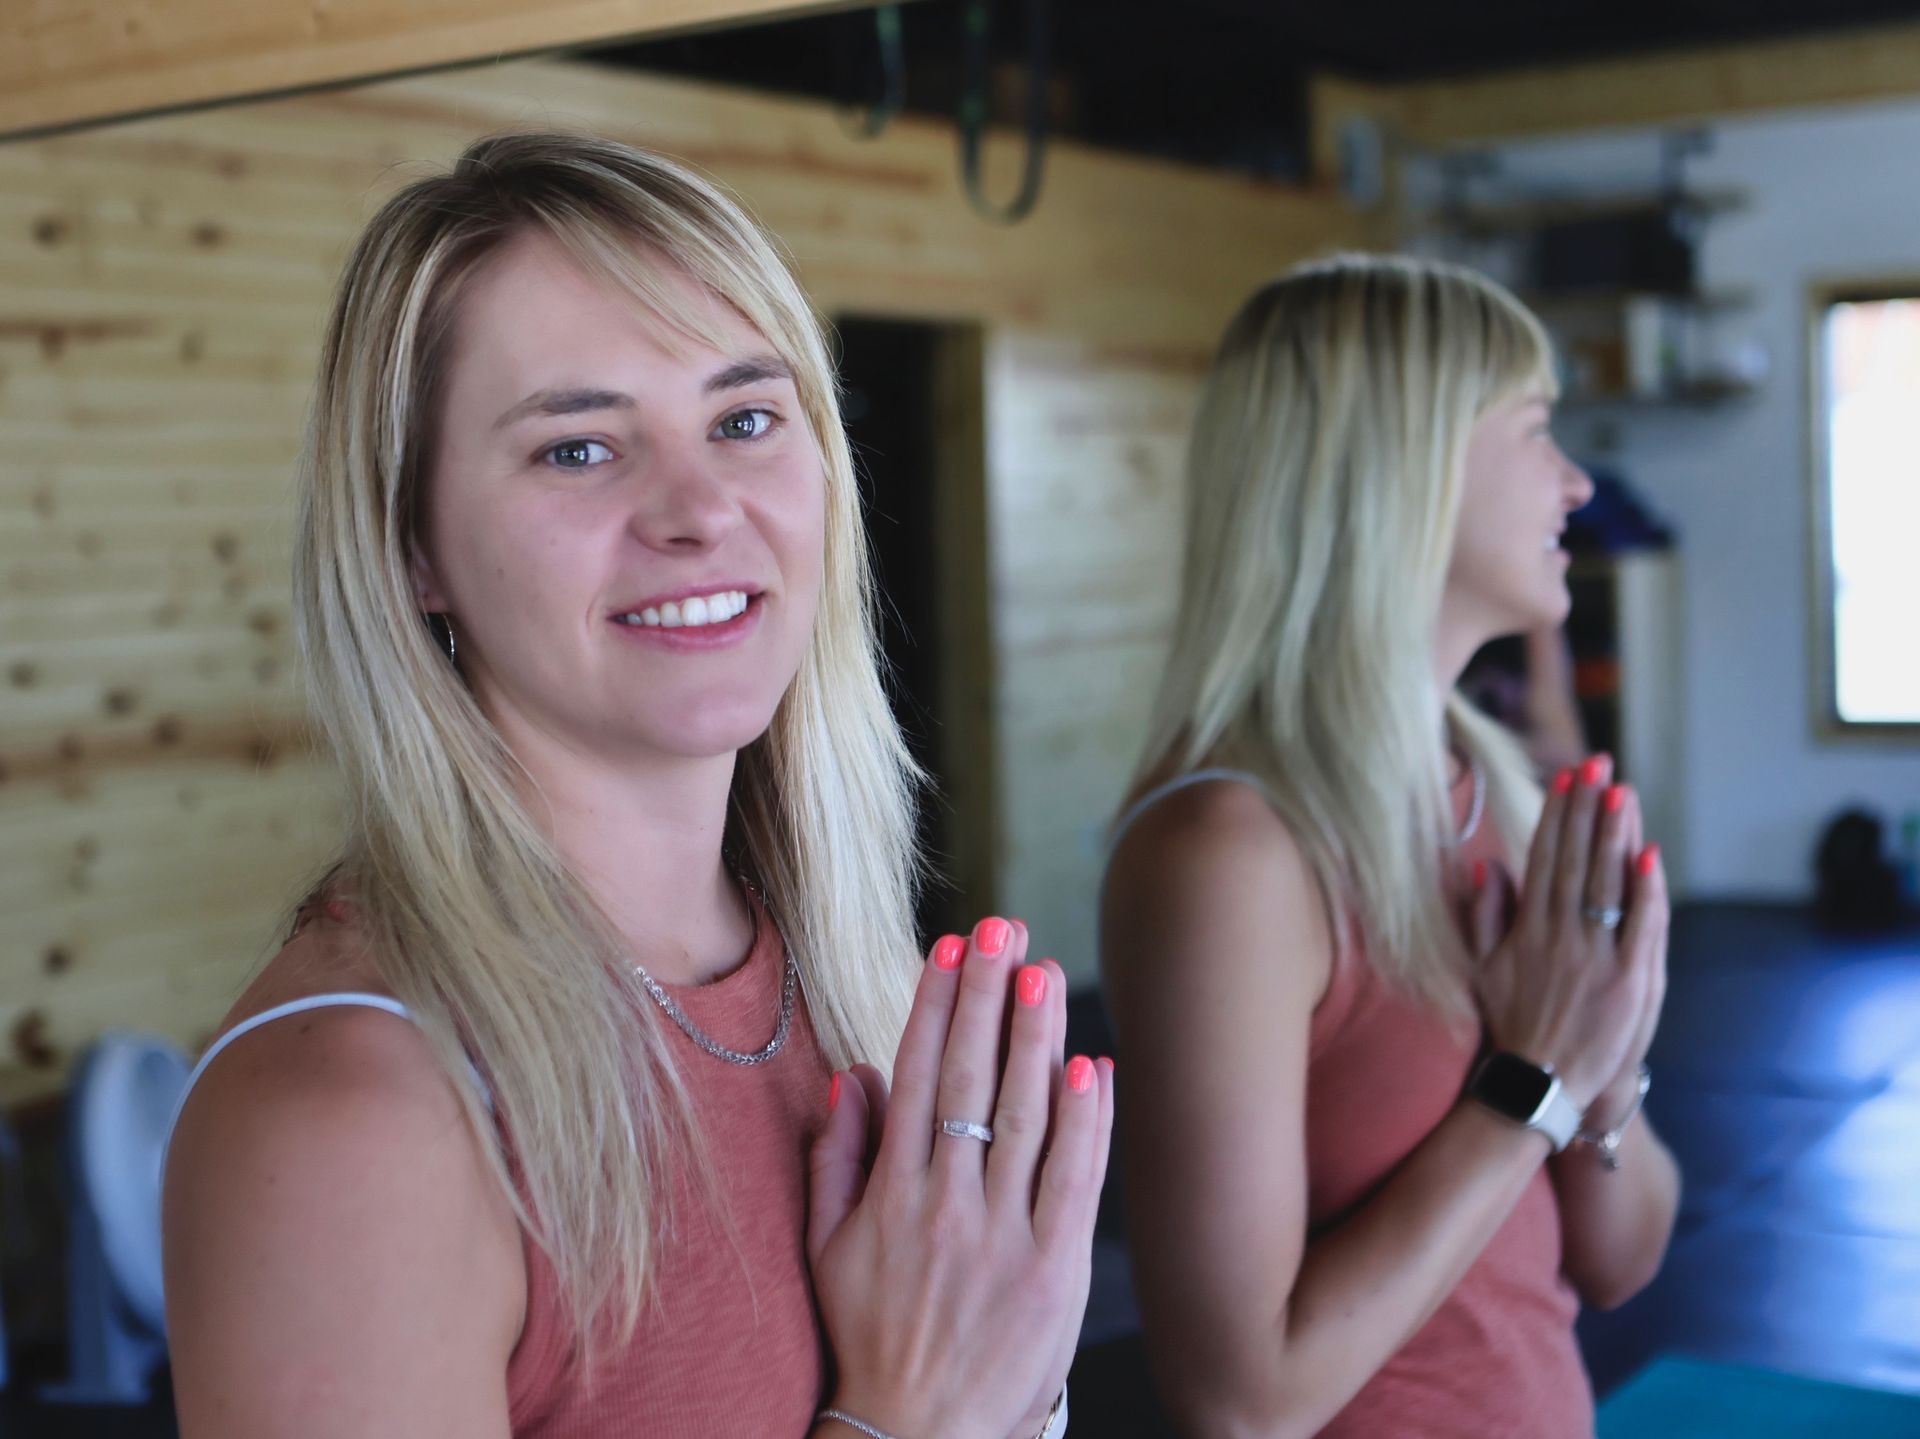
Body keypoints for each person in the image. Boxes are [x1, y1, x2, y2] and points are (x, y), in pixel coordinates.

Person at [161, 132, 1111, 1439]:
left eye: (745, 417)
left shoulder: (845, 979)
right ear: (411, 547)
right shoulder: (356, 1121)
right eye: (578, 448)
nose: (699, 507)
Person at [1101, 254, 1679, 1438]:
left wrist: (1603, 1067)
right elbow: (1239, 1400)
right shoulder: (1234, 851)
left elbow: (1619, 1262)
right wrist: (1533, 1084)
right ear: (1403, 471)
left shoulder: (1504, 797)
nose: (1574, 482)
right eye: (1534, 431)